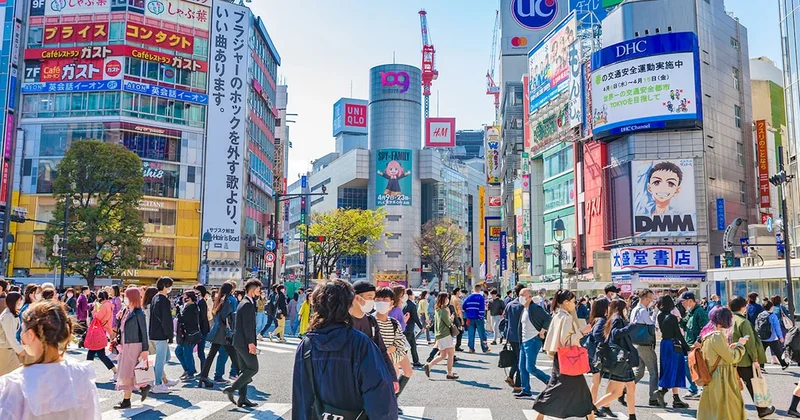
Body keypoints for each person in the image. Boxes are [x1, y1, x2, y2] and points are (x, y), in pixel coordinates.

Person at [292, 279, 397, 419]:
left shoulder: (306, 345)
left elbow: (300, 397)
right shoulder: (361, 343)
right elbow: (380, 396)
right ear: (348, 304)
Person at [0, 300, 101, 419]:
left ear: (31, 334)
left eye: (22, 329)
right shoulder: (82, 374)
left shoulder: (15, 383)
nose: (20, 334)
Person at [532, 289, 595, 420]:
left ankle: (540, 414)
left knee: (562, 387)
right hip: (568, 358)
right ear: (566, 302)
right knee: (569, 388)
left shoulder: (558, 315)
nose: (574, 304)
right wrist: (582, 332)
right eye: (573, 301)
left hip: (560, 357)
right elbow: (566, 341)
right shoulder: (566, 318)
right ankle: (540, 412)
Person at [696, 307, 748, 420]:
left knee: (713, 412)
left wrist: (731, 348)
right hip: (722, 379)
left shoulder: (707, 336)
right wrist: (740, 345)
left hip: (712, 377)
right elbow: (731, 358)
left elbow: (718, 355)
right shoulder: (717, 336)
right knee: (729, 410)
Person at [728, 295, 775, 418]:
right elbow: (750, 343)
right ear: (743, 307)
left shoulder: (728, 320)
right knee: (752, 385)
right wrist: (755, 359)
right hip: (744, 359)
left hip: (731, 358)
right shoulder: (743, 322)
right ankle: (762, 409)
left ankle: (735, 412)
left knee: (733, 387)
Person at [348, 280, 399, 392]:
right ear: (356, 298)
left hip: (368, 378)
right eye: (370, 297)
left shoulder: (370, 320)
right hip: (348, 380)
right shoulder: (345, 321)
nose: (372, 301)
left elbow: (381, 350)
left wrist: (392, 376)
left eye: (373, 298)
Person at [594, 300, 639, 420]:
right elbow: (615, 334)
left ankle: (632, 416)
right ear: (621, 308)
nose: (627, 309)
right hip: (622, 359)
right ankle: (592, 409)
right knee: (618, 392)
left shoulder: (614, 318)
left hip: (621, 359)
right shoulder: (617, 319)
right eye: (625, 307)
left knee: (630, 388)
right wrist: (631, 326)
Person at [223, 279, 261, 407]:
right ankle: (232, 389)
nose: (259, 293)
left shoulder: (243, 302)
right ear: (252, 290)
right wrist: (251, 343)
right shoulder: (247, 304)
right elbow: (248, 326)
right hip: (244, 342)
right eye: (258, 290)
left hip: (239, 342)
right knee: (253, 368)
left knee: (244, 369)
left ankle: (242, 398)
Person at [114, 288, 152, 409]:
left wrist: (145, 349)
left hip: (134, 345)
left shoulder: (139, 313)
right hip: (125, 344)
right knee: (130, 372)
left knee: (129, 373)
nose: (124, 298)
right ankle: (143, 387)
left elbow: (144, 332)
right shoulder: (125, 311)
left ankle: (127, 400)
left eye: (126, 296)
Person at [197, 282, 239, 388]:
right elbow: (229, 316)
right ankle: (242, 375)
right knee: (234, 354)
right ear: (231, 290)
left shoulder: (219, 299)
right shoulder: (229, 300)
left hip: (217, 330)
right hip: (225, 332)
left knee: (212, 354)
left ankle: (203, 376)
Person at [651, 295, 690, 408]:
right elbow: (678, 334)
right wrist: (687, 347)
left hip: (664, 344)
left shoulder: (660, 316)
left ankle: (670, 395)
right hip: (673, 344)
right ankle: (668, 394)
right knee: (676, 369)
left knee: (667, 368)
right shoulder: (672, 317)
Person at [376, 287, 413, 398]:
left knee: (394, 378)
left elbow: (400, 345)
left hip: (391, 358)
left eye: (385, 300)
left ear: (392, 302)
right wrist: (389, 350)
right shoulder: (370, 322)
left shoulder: (394, 323)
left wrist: (391, 351)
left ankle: (393, 399)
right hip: (378, 363)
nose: (381, 302)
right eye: (378, 299)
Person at [515, 286, 552, 399]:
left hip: (533, 340)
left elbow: (548, 318)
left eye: (523, 295)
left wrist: (542, 331)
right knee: (522, 367)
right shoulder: (524, 309)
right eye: (520, 295)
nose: (520, 297)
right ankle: (526, 390)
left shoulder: (535, 308)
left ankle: (550, 381)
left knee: (530, 367)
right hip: (525, 341)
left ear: (530, 297)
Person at [630, 289, 659, 407]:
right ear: (646, 299)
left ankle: (623, 390)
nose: (652, 301)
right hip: (645, 345)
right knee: (653, 372)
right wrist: (655, 312)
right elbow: (651, 324)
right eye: (651, 299)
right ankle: (653, 398)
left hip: (635, 343)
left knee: (639, 372)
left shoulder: (634, 310)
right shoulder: (643, 311)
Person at [149, 276, 175, 394]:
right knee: (161, 359)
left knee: (166, 357)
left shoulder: (155, 298)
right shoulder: (163, 300)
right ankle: (158, 383)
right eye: (169, 286)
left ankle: (155, 379)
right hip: (161, 334)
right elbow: (166, 320)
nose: (170, 288)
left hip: (154, 332)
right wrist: (170, 335)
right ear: (165, 286)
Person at [424, 292, 459, 380]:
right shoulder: (444, 310)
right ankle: (449, 373)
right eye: (446, 298)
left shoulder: (437, 309)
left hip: (439, 334)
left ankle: (429, 366)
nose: (448, 300)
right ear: (443, 299)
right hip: (445, 334)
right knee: (451, 354)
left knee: (443, 355)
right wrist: (451, 318)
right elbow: (448, 323)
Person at [679, 291, 707, 399]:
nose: (682, 304)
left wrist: (698, 341)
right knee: (688, 367)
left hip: (697, 346)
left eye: (683, 301)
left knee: (699, 367)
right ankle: (692, 389)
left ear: (690, 301)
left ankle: (702, 389)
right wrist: (678, 320)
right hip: (689, 345)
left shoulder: (700, 312)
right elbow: (684, 324)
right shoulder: (690, 312)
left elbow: (705, 328)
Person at [586, 297, 610, 416]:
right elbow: (597, 335)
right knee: (596, 382)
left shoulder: (595, 319)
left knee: (596, 382)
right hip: (596, 355)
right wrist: (606, 340)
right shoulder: (601, 320)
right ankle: (591, 408)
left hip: (593, 354)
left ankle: (592, 407)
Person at [87, 291, 118, 380]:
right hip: (103, 330)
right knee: (93, 353)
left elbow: (98, 317)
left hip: (99, 332)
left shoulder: (104, 306)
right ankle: (87, 372)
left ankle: (116, 371)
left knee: (98, 354)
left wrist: (94, 311)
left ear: (100, 298)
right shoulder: (109, 305)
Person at [502, 284, 526, 393]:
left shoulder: (509, 304)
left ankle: (511, 376)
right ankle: (518, 384)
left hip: (511, 335)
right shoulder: (523, 306)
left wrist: (505, 335)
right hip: (521, 335)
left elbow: (506, 320)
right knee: (521, 360)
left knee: (517, 358)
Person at [175, 290, 202, 381]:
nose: (183, 298)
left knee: (187, 353)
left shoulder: (190, 307)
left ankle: (190, 373)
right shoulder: (191, 306)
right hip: (189, 333)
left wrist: (178, 310)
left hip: (189, 334)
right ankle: (188, 369)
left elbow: (182, 319)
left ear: (189, 298)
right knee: (179, 351)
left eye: (185, 296)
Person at [757, 300, 789, 369]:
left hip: (762, 337)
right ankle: (784, 364)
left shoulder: (760, 315)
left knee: (762, 352)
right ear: (771, 307)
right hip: (772, 337)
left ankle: (761, 367)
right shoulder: (773, 315)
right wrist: (781, 337)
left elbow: (757, 325)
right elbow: (777, 327)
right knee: (778, 352)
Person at [0, 292, 23, 375]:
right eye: (19, 301)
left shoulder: (10, 313)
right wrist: (20, 350)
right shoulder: (8, 316)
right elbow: (11, 337)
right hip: (6, 350)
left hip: (8, 349)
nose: (20, 303)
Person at [462, 284, 490, 353]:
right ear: (480, 290)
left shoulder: (468, 297)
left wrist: (468, 312)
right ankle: (485, 348)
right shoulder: (481, 298)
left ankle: (471, 348)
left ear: (474, 289)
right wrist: (480, 316)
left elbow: (463, 306)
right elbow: (481, 309)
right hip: (478, 318)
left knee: (471, 334)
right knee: (482, 334)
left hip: (469, 318)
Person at [403, 288, 423, 367]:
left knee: (413, 345)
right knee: (406, 346)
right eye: (413, 294)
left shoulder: (404, 304)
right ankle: (401, 361)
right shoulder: (412, 305)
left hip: (406, 327)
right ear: (410, 295)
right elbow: (415, 318)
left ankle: (416, 361)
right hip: (409, 327)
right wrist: (421, 327)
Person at [194, 284, 210, 373]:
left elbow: (202, 317)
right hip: (202, 329)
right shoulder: (200, 301)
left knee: (200, 352)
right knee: (200, 352)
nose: (195, 293)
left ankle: (204, 371)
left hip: (202, 329)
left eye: (197, 291)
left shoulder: (201, 302)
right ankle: (203, 371)